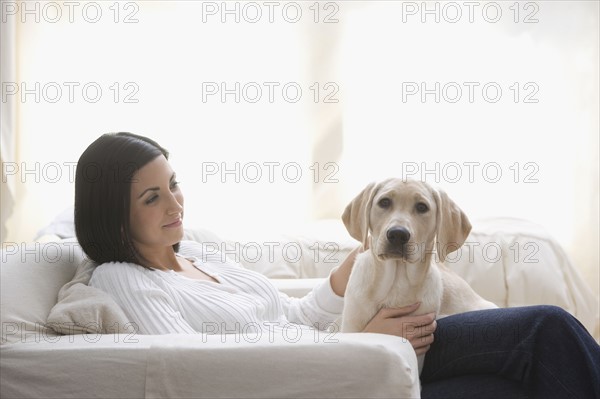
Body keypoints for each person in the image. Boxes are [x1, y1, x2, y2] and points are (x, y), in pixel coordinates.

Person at [76, 132, 600, 398]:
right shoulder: (124, 279)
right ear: (113, 215)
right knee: (545, 329)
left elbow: (289, 316)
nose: (174, 205)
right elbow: (201, 371)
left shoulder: (196, 253)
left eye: (174, 185)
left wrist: (341, 283)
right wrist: (359, 340)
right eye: (151, 198)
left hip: (368, 358)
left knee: (520, 385)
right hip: (337, 379)